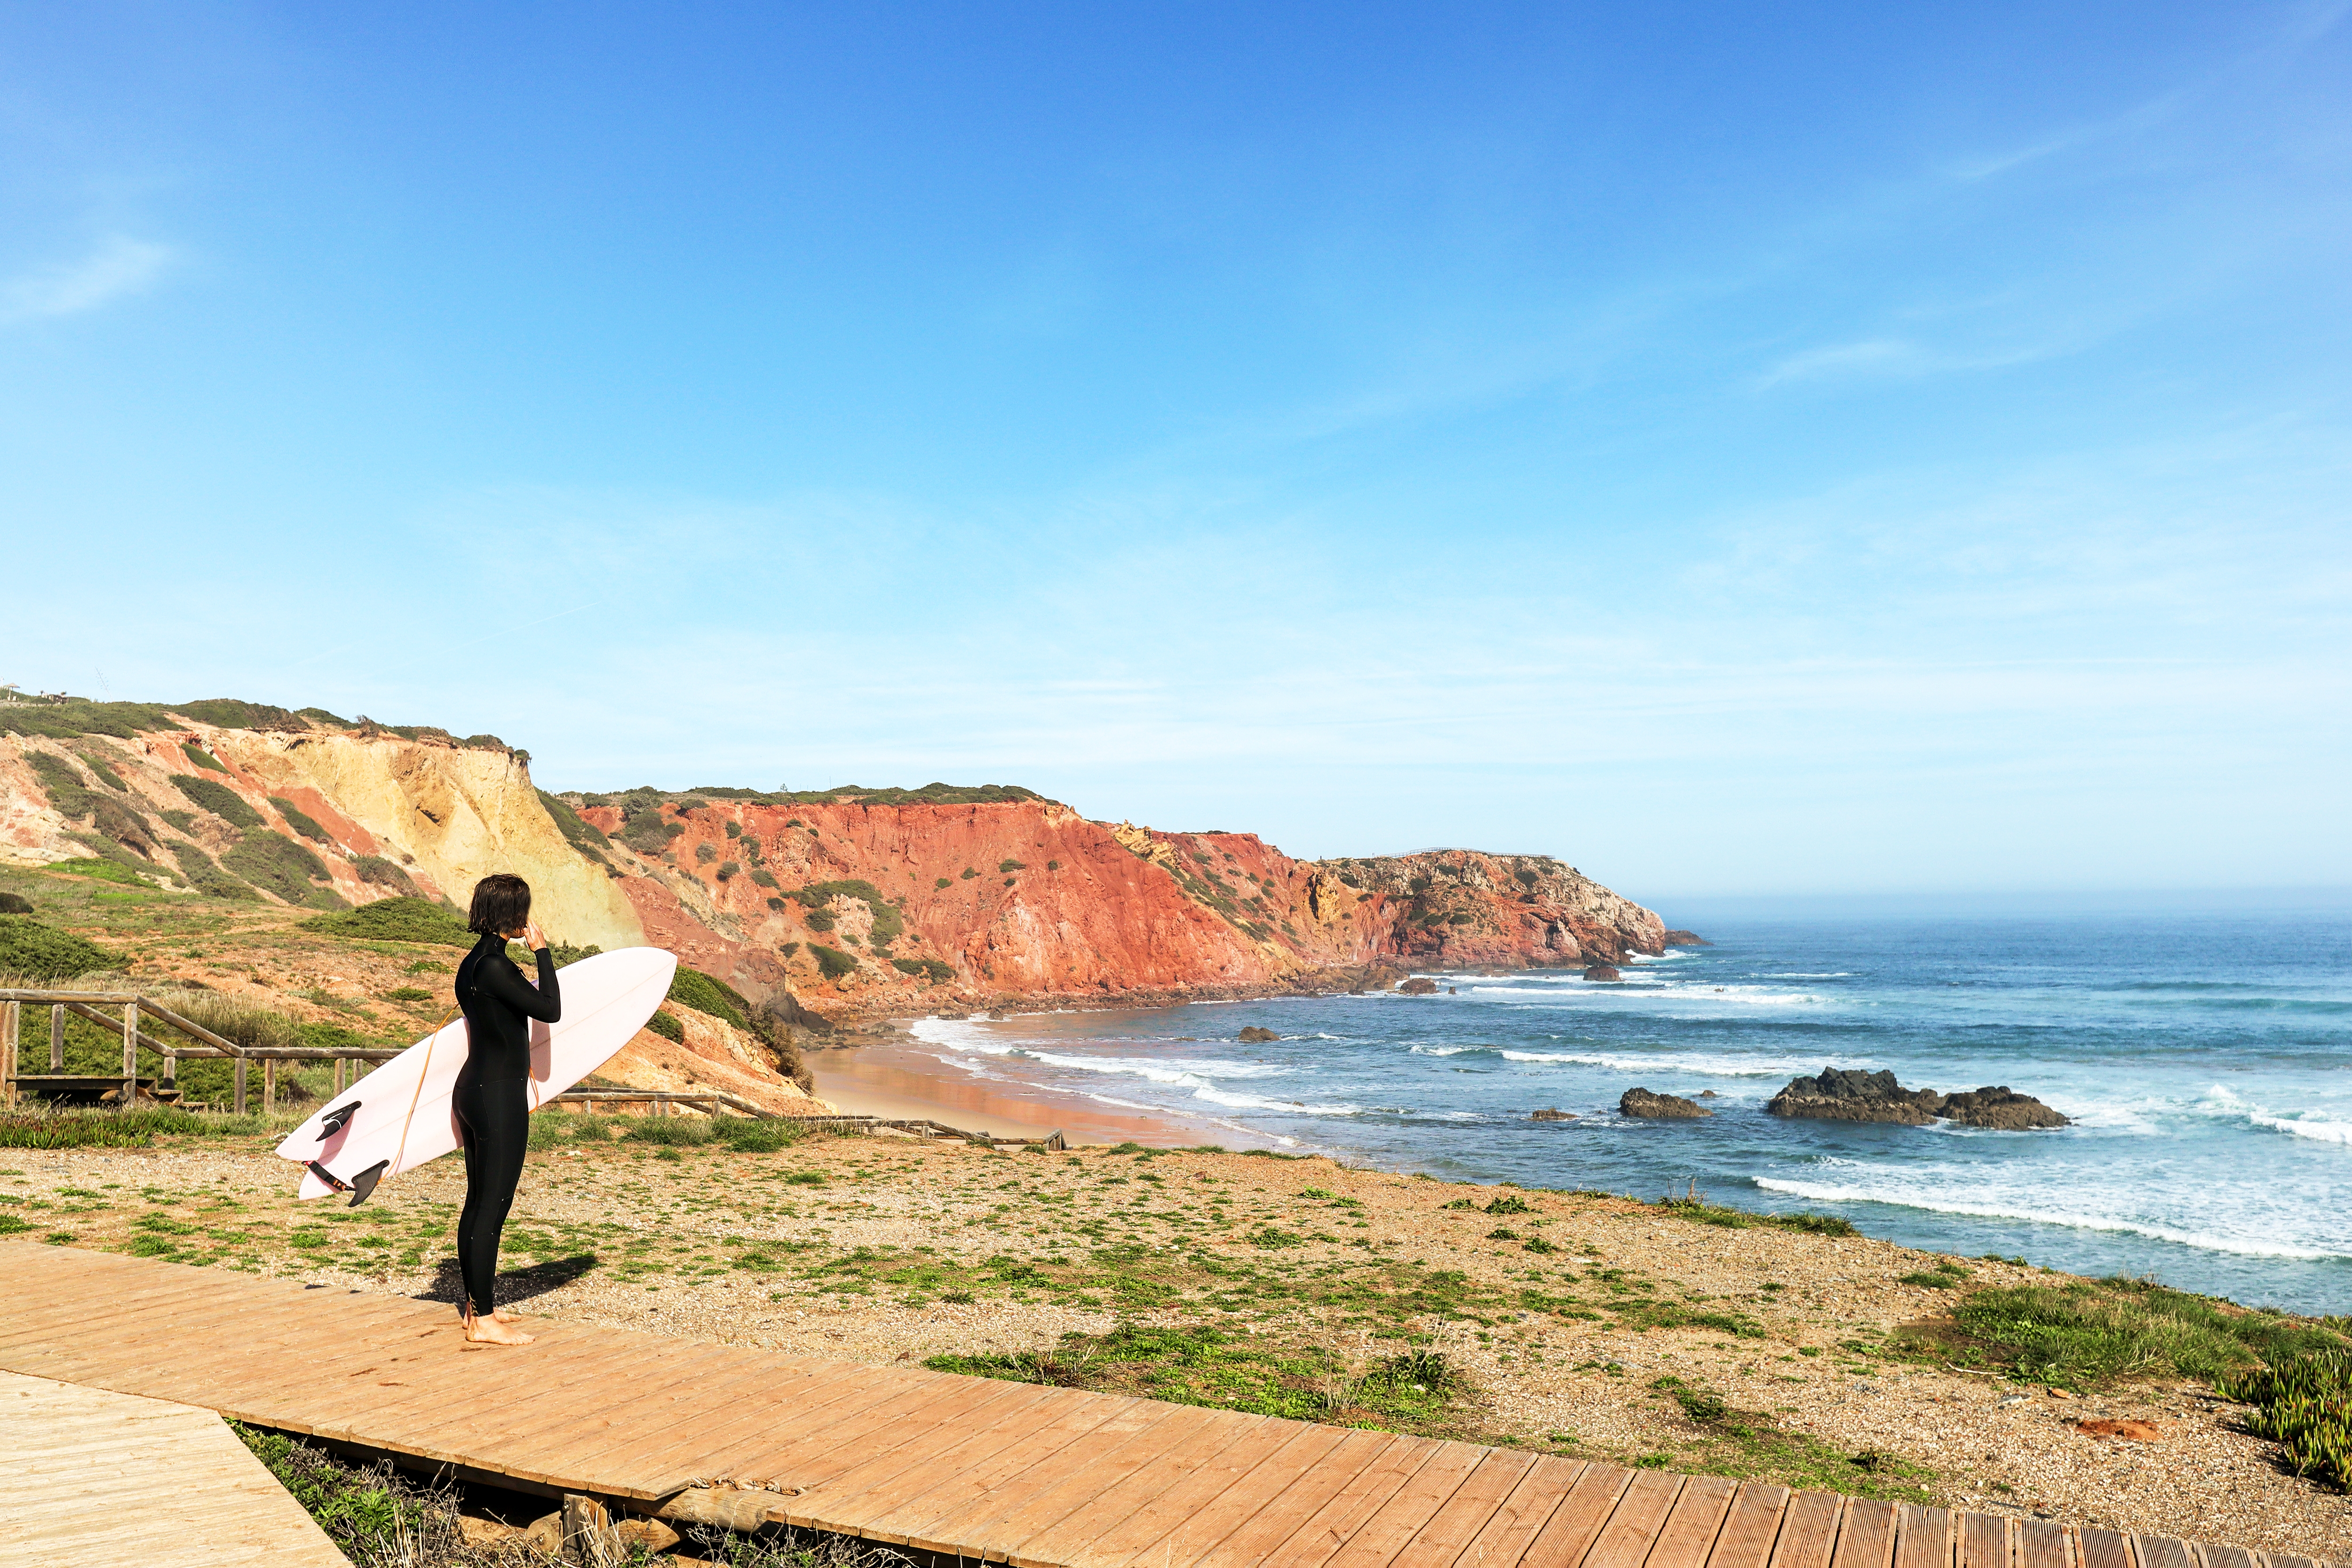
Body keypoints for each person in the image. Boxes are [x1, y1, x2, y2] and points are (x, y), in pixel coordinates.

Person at [451, 873, 560, 1345]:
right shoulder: (497, 968)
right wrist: (542, 952)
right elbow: (550, 1009)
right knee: (492, 1207)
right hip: (497, 1097)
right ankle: (484, 1322)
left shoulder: (471, 964)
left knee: (478, 1202)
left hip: (473, 1089)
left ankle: (477, 1308)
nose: (527, 919)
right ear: (511, 915)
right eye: (523, 911)